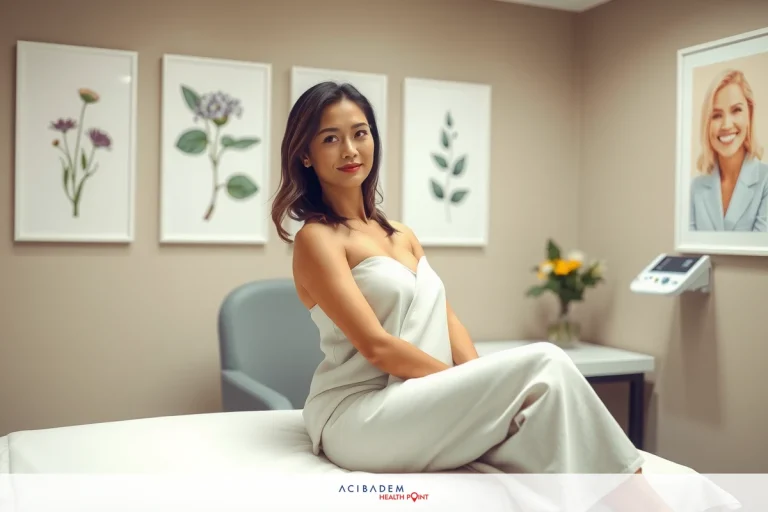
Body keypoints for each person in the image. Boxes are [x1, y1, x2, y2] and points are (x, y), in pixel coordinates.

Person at [270, 81, 678, 510]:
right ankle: (643, 501)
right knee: (547, 361)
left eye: (360, 132)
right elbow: (377, 346)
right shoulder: (317, 239)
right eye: (330, 139)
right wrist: (472, 386)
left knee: (543, 413)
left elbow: (448, 321)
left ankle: (619, 499)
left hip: (417, 399)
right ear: (305, 155)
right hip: (360, 415)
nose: (350, 150)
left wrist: (483, 385)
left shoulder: (402, 234)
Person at [690, 68, 768, 232]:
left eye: (736, 110)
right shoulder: (695, 188)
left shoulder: (765, 181)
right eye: (717, 115)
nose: (726, 125)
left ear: (750, 114)